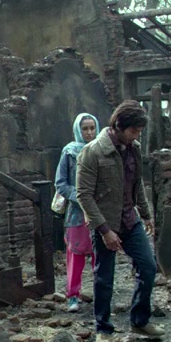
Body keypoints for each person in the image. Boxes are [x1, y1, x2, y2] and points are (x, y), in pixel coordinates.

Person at [74, 101, 162, 339]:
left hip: (130, 219)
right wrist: (104, 230)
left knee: (148, 266)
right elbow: (84, 195)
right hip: (105, 222)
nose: (137, 135)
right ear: (118, 126)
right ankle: (103, 328)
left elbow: (137, 183)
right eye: (133, 130)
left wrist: (145, 213)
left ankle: (139, 321)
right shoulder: (92, 152)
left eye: (139, 131)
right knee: (104, 277)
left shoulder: (134, 148)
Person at [55, 113, 99, 313]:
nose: (89, 132)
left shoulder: (102, 149)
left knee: (101, 254)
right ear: (78, 130)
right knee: (75, 255)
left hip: (100, 212)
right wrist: (80, 196)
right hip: (76, 214)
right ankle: (73, 295)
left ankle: (101, 293)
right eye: (85, 129)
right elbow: (60, 183)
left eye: (92, 128)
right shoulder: (69, 152)